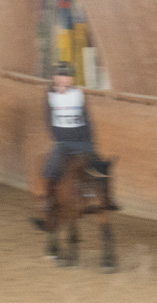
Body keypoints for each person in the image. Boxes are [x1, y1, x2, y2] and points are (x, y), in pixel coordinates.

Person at [41, 61, 115, 212]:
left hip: (82, 141)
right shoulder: (50, 96)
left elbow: (87, 119)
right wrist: (57, 136)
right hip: (63, 142)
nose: (64, 79)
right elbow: (48, 119)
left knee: (102, 167)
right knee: (52, 170)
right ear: (55, 78)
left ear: (71, 79)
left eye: (67, 77)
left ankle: (107, 199)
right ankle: (49, 202)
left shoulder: (79, 95)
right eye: (60, 76)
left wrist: (90, 141)